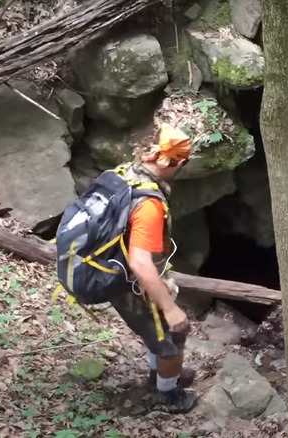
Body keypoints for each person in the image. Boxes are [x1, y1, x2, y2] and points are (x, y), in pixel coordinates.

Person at [107, 123, 198, 414]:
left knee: (154, 328)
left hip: (109, 263)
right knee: (173, 333)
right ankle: (166, 393)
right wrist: (171, 308)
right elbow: (140, 261)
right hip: (127, 276)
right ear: (180, 163)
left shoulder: (124, 173)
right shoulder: (148, 205)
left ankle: (158, 375)